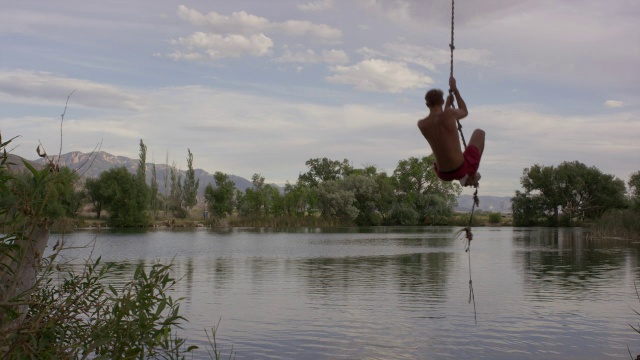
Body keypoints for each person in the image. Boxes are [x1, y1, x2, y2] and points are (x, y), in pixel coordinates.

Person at [417, 76, 485, 187]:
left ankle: (466, 176)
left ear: (427, 104)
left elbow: (441, 126)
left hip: (442, 173)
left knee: (454, 153)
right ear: (442, 101)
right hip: (460, 168)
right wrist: (455, 89)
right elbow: (464, 111)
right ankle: (471, 175)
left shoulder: (422, 124)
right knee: (480, 132)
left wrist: (447, 104)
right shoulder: (449, 114)